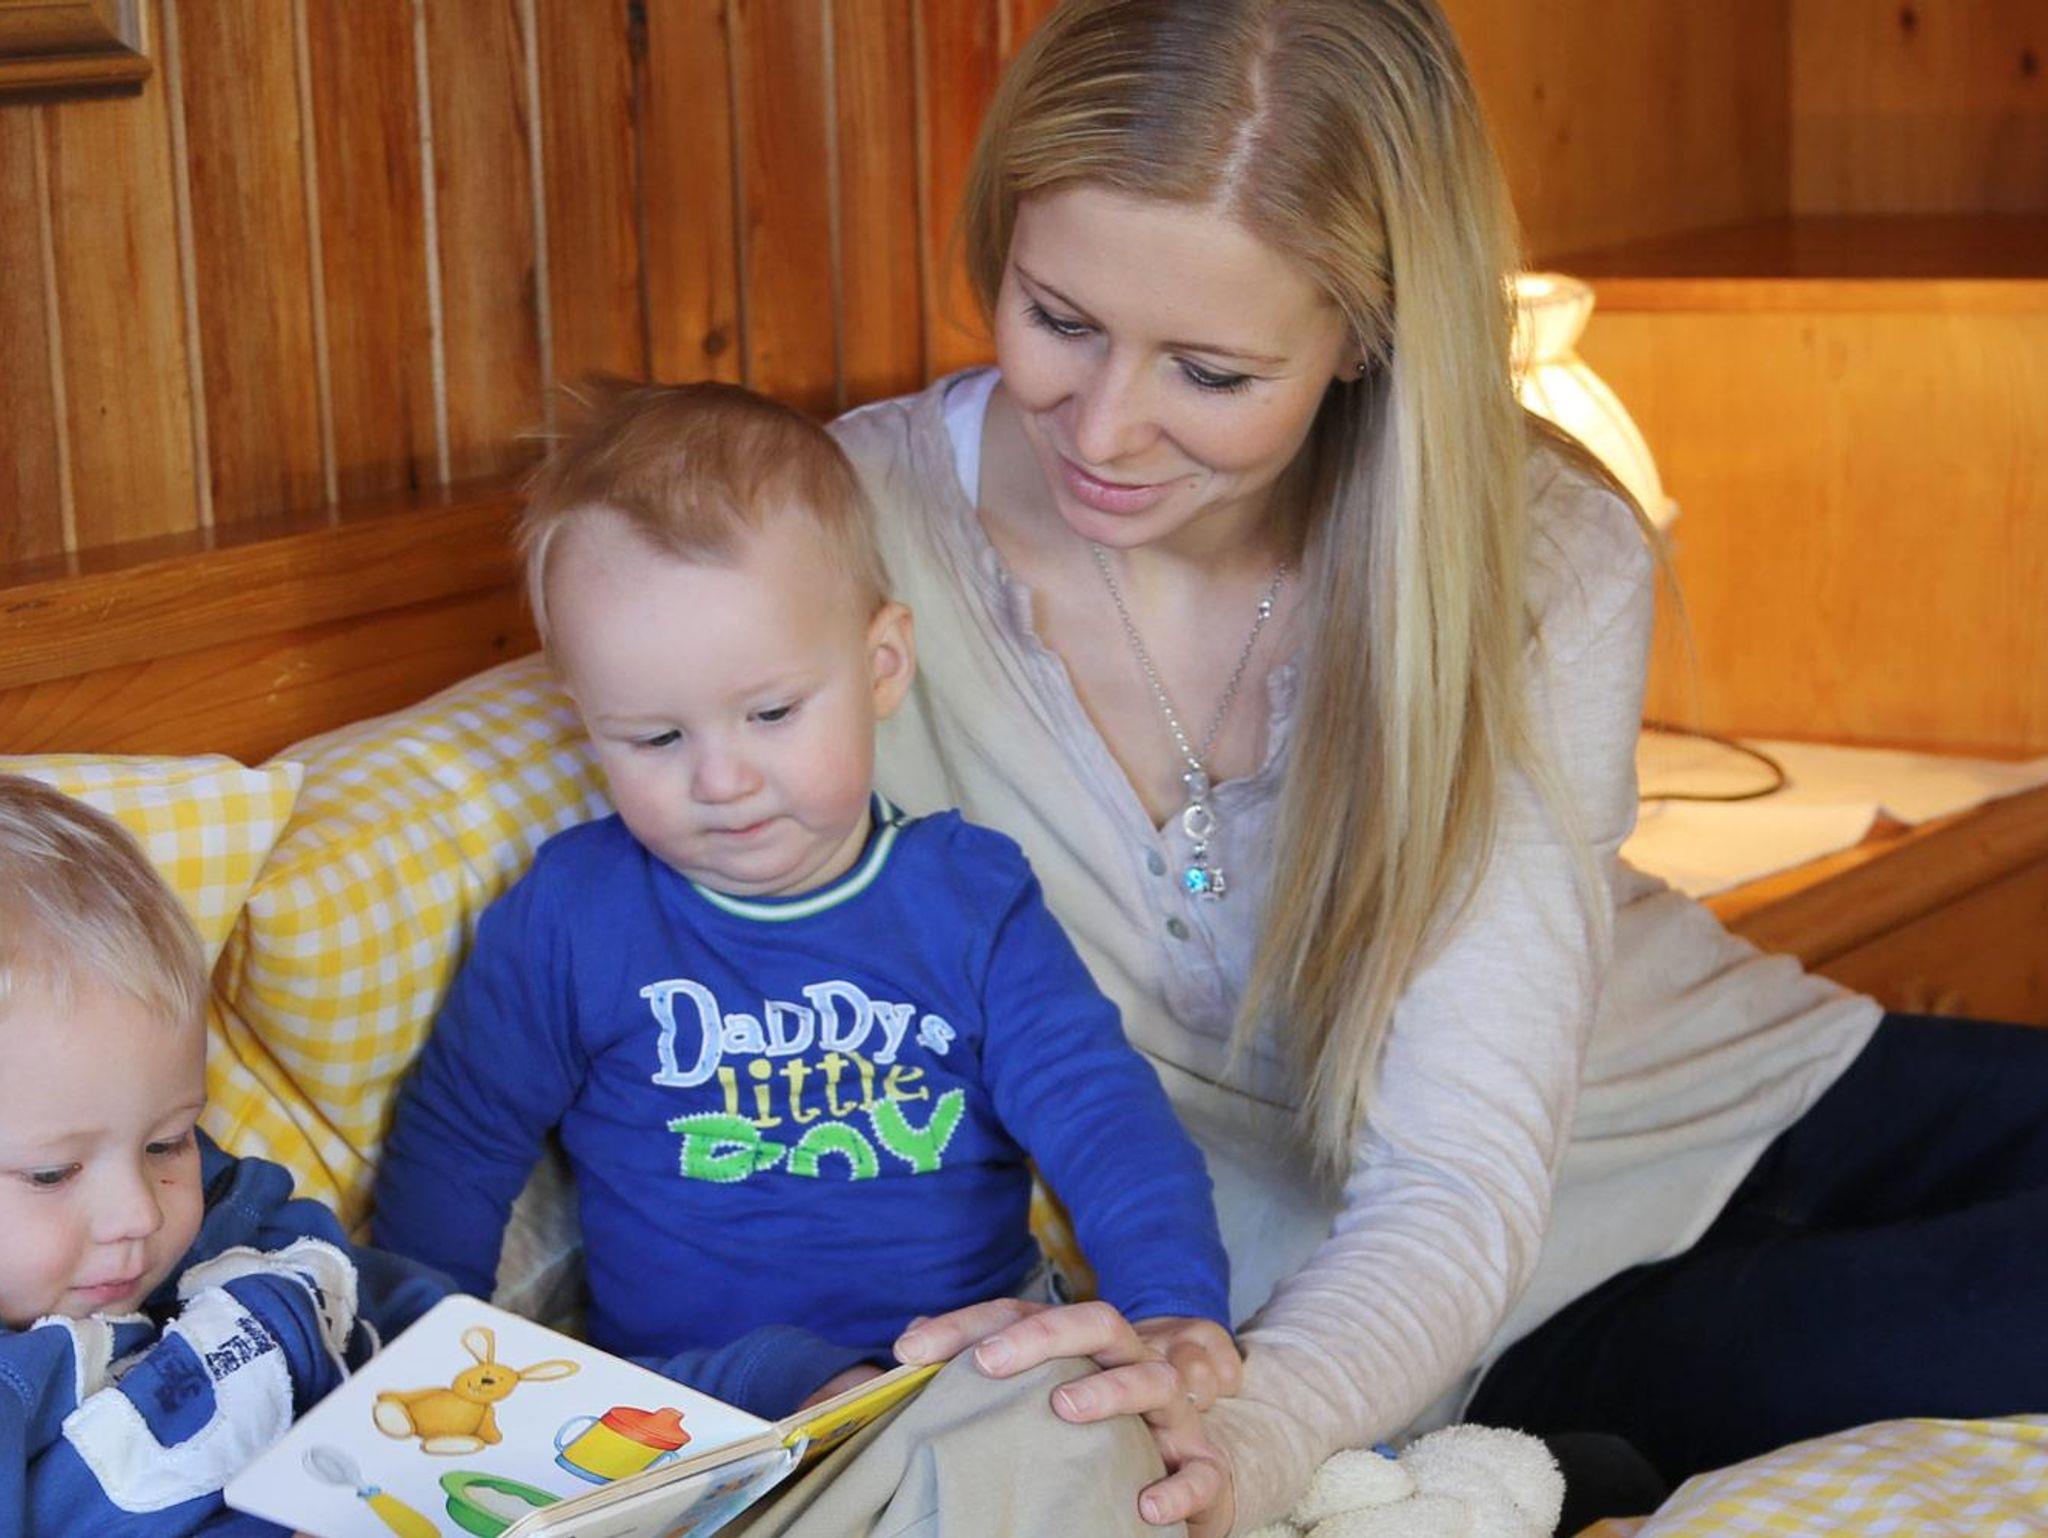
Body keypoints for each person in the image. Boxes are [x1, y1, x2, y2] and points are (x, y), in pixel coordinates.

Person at [796, 1, 2048, 1533]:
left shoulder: (1538, 547)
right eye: (1058, 319)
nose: (1105, 429)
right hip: (1485, 1312)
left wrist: (1258, 1435)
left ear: (1366, 335)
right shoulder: (833, 540)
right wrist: (1251, 1429)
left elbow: (1466, 1154)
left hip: (1760, 1096)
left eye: (1209, 372)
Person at [371, 383, 1236, 1441]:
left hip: (964, 1369)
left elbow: (1102, 1116)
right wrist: (409, 1355)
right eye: (655, 738)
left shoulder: (966, 900)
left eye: (772, 713)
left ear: (881, 667)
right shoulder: (572, 916)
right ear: (587, 722)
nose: (721, 779)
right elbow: (457, 1140)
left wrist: (1169, 1301)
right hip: (695, 1402)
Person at [0, 773, 450, 1536]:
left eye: (167, 1141)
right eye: (53, 1173)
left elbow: (419, 1326)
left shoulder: (237, 1225)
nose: (141, 1212)